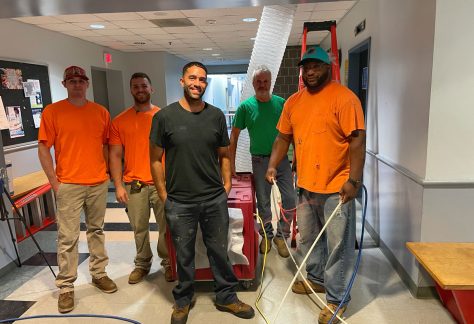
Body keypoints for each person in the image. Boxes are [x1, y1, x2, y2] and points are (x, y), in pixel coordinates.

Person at [265, 47, 366, 324]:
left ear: (329, 68)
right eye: (306, 67)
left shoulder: (345, 99)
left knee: (338, 246)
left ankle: (336, 300)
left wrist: (353, 180)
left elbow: (357, 141)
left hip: (338, 188)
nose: (310, 72)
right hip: (306, 185)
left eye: (316, 66)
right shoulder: (294, 102)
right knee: (309, 238)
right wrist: (273, 164)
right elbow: (282, 138)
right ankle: (317, 279)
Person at [150, 62, 255, 324]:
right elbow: (155, 159)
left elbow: (224, 154)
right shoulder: (164, 117)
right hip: (179, 201)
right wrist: (164, 195)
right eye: (193, 78)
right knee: (183, 255)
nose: (198, 83)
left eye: (203, 80)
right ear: (182, 81)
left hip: (212, 199)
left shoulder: (216, 116)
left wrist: (226, 185)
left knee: (219, 250)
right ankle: (183, 300)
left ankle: (226, 297)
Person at [38, 65, 117, 314]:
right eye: (72, 81)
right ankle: (66, 287)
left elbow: (106, 146)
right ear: (65, 85)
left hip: (96, 182)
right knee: (68, 237)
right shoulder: (53, 112)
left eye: (81, 80)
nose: (77, 84)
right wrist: (54, 182)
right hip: (69, 184)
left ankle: (98, 273)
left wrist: (105, 174)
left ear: (87, 84)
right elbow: (43, 148)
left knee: (97, 231)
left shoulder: (100, 112)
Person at [109, 72, 173, 284]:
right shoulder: (120, 121)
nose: (140, 90)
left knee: (166, 226)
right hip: (134, 184)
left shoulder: (164, 117)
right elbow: (116, 155)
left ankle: (168, 263)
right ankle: (142, 263)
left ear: (151, 89)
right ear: (131, 90)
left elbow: (173, 151)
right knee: (139, 228)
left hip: (161, 183)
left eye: (144, 86)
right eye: (136, 86)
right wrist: (118, 186)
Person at [229, 65, 295, 258]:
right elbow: (233, 137)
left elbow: (293, 133)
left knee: (290, 199)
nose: (262, 84)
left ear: (271, 82)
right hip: (259, 161)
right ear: (253, 83)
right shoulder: (245, 107)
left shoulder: (282, 104)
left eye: (266, 81)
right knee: (264, 202)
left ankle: (282, 236)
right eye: (258, 81)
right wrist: (231, 165)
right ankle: (267, 234)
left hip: (282, 160)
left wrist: (297, 158)